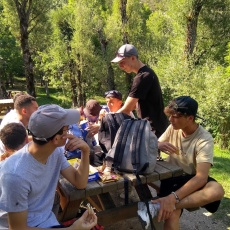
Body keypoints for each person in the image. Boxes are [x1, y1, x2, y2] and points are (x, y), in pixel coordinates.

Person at [0, 104, 97, 229]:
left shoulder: (54, 152)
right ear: (56, 139)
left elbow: (80, 183)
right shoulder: (15, 175)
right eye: (67, 129)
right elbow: (18, 228)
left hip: (46, 222)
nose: (69, 133)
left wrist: (85, 151)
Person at [151, 96, 224, 230]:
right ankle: (169, 204)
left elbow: (201, 177)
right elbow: (155, 143)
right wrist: (158, 145)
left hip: (190, 178)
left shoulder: (204, 139)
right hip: (171, 177)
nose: (170, 119)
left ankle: (165, 203)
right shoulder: (173, 128)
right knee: (172, 215)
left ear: (190, 118)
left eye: (175, 116)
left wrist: (172, 198)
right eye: (170, 115)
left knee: (217, 190)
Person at [111, 44, 168, 138]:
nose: (120, 66)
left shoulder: (143, 77)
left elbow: (127, 109)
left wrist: (106, 122)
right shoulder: (146, 73)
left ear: (133, 58)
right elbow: (133, 105)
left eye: (123, 62)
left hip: (152, 128)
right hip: (152, 126)